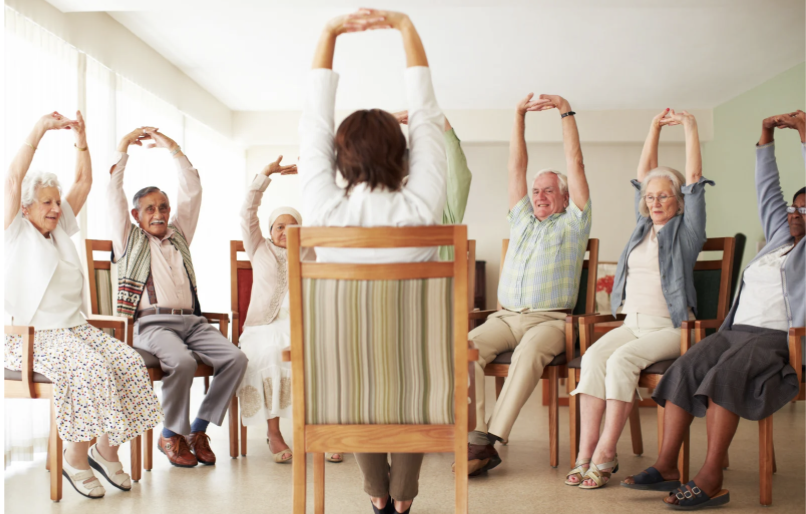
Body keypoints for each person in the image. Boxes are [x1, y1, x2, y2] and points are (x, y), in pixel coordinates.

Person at [299, 9, 446, 513]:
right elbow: (426, 114)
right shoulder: (422, 206)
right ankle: (402, 502)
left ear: (339, 160)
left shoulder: (324, 209)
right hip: (421, 379)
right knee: (412, 373)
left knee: (353, 365)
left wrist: (329, 31)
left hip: (342, 381)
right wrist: (406, 26)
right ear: (405, 156)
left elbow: (313, 124)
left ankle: (378, 497)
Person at [621, 109, 805, 509]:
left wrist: (805, 135)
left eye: (805, 211)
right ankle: (667, 465)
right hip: (735, 331)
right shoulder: (778, 239)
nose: (795, 214)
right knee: (684, 368)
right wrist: (765, 136)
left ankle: (711, 476)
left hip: (781, 339)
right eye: (795, 208)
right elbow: (767, 188)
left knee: (725, 376)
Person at [4, 112, 162, 499]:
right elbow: (11, 178)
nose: (56, 208)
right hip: (32, 336)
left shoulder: (58, 226)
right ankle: (73, 457)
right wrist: (39, 129)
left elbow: (85, 181)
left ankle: (104, 450)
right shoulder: (12, 228)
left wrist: (82, 140)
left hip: (74, 329)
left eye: (57, 202)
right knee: (90, 367)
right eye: (46, 203)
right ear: (25, 207)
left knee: (127, 361)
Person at [565, 109, 711, 489]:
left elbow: (694, 179)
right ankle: (584, 454)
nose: (656, 201)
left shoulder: (688, 231)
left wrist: (690, 127)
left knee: (622, 361)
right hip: (633, 322)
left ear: (679, 200)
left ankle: (605, 454)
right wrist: (653, 128)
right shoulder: (642, 226)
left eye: (665, 195)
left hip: (672, 327)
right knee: (595, 356)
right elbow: (644, 173)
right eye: (651, 196)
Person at [464, 92, 592, 476]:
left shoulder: (574, 223)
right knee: (464, 349)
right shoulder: (520, 220)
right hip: (504, 318)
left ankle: (491, 442)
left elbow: (577, 163)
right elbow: (515, 168)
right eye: (537, 191)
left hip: (550, 321)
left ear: (566, 197)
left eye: (549, 190)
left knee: (527, 354)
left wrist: (565, 113)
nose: (539, 196)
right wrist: (518, 115)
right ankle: (475, 434)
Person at [107, 126, 248, 468]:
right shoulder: (129, 239)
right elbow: (113, 193)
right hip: (152, 325)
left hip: (192, 323)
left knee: (237, 359)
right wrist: (123, 146)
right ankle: (171, 433)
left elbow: (193, 191)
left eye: (163, 207)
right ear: (136, 215)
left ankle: (197, 430)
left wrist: (173, 148)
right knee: (182, 362)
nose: (158, 214)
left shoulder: (179, 235)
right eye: (150, 209)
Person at [236, 156, 343, 464]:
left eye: (292, 226)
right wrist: (264, 174)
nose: (285, 231)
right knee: (271, 355)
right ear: (269, 231)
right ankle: (275, 433)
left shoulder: (312, 251)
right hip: (262, 328)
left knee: (325, 356)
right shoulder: (258, 247)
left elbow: (330, 214)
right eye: (279, 226)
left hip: (303, 327)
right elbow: (247, 213)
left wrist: (312, 174)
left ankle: (323, 433)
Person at [392, 111, 473, 261]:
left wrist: (445, 127)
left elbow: (459, 176)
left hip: (439, 281)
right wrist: (386, 124)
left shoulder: (445, 214)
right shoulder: (391, 211)